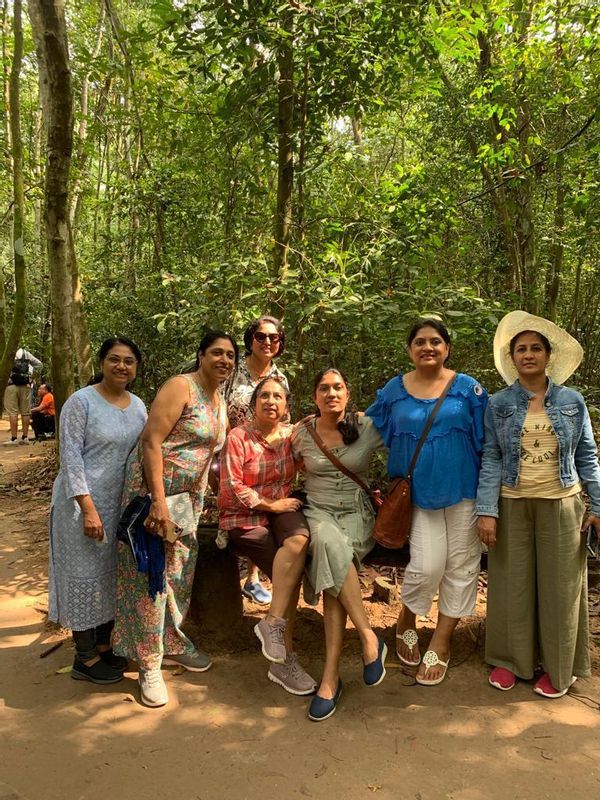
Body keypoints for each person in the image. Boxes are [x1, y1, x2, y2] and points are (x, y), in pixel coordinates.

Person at [476, 311, 600, 698]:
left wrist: (597, 503)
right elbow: (492, 456)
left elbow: (587, 455)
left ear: (548, 355)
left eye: (535, 349)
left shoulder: (571, 401)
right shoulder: (498, 403)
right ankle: (512, 662)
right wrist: (487, 511)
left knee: (561, 589)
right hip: (512, 503)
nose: (528, 355)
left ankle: (559, 667)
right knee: (512, 586)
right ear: (512, 358)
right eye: (521, 349)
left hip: (562, 505)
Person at [113, 331, 236, 708]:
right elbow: (152, 441)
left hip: (188, 501)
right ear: (201, 355)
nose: (224, 360)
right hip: (155, 493)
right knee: (148, 574)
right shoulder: (181, 386)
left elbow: (208, 454)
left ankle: (172, 641)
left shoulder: (219, 399)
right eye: (217, 352)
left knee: (179, 569)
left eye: (231, 355)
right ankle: (148, 662)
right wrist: (158, 502)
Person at [367, 319, 487, 686]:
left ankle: (441, 640)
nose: (428, 347)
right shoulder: (394, 390)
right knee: (427, 565)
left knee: (462, 567)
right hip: (418, 497)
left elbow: (489, 441)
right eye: (419, 342)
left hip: (465, 490)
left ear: (447, 348)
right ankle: (406, 619)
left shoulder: (469, 389)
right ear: (410, 349)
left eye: (436, 341)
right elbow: (369, 428)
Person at [48, 337, 147, 684]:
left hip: (119, 505)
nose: (122, 366)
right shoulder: (81, 401)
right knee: (85, 577)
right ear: (102, 363)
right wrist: (87, 508)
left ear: (136, 367)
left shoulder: (138, 406)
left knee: (110, 576)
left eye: (129, 361)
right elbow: (71, 457)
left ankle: (104, 646)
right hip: (81, 505)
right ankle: (84, 658)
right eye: (114, 359)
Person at [292, 369, 387, 721]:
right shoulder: (301, 433)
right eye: (323, 388)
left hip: (358, 515)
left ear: (347, 394)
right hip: (318, 513)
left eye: (338, 388)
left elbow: (407, 441)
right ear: (314, 396)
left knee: (334, 572)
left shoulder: (366, 426)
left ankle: (330, 678)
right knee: (332, 547)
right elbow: (275, 465)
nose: (331, 393)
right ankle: (367, 637)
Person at [218, 376, 315, 695]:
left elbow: (317, 443)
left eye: (278, 396)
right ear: (254, 403)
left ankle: (272, 624)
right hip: (244, 515)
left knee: (299, 541)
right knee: (287, 571)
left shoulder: (291, 435)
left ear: (286, 406)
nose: (271, 401)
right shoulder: (238, 437)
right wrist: (270, 505)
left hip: (282, 509)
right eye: (265, 396)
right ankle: (284, 662)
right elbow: (232, 486)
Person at [224, 316, 289, 605]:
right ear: (250, 339)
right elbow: (218, 407)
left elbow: (284, 416)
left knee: (266, 508)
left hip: (266, 455)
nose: (267, 342)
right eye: (261, 336)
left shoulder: (280, 377)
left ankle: (253, 578)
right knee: (237, 499)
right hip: (231, 448)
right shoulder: (232, 371)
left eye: (273, 338)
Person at [4, 346, 42, 444]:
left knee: (13, 412)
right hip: (26, 386)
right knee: (25, 412)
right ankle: (25, 437)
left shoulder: (7, 353)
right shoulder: (26, 354)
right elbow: (39, 364)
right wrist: (32, 377)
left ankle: (14, 439)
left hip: (11, 386)